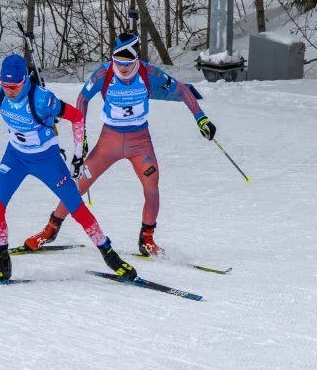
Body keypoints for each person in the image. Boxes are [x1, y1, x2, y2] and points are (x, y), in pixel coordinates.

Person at [0, 53, 137, 282]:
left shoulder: (42, 99)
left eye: (14, 86)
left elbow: (76, 117)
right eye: (5, 85)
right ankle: (2, 263)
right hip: (15, 158)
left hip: (47, 160)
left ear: (25, 80)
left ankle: (110, 255)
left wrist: (78, 155)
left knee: (75, 206)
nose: (9, 91)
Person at [22, 32, 216, 257]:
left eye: (128, 63)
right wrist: (82, 137)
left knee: (151, 187)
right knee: (78, 186)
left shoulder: (148, 73)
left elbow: (181, 89)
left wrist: (201, 119)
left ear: (136, 60)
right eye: (118, 62)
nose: (123, 68)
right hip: (110, 141)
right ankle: (51, 229)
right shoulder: (104, 73)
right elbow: (83, 99)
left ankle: (147, 239)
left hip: (140, 142)